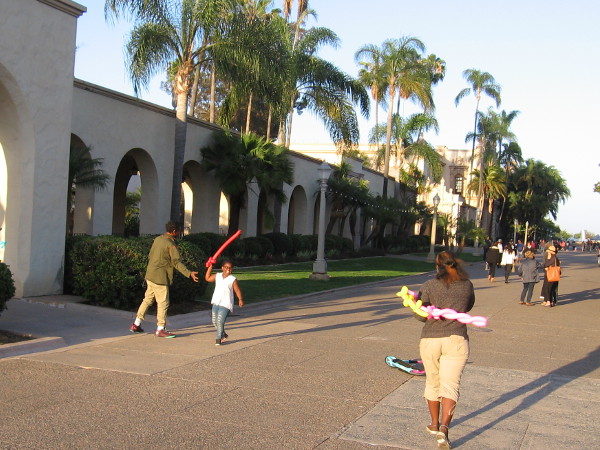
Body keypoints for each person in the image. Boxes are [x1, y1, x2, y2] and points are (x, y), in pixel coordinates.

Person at [415, 251, 474, 449]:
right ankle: (444, 428)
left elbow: (421, 315)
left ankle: (434, 424)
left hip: (431, 339)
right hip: (457, 338)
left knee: (433, 382)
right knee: (451, 385)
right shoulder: (467, 285)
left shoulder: (429, 285)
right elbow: (468, 307)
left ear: (437, 266)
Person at [129, 221, 198, 338]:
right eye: (179, 230)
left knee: (147, 300)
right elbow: (176, 262)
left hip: (150, 275)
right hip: (160, 278)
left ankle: (136, 324)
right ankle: (160, 329)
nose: (179, 232)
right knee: (163, 303)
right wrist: (189, 273)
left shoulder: (157, 239)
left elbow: (150, 255)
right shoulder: (171, 244)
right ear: (174, 231)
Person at [205, 259, 244, 345]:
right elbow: (207, 278)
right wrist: (210, 268)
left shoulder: (232, 279)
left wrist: (240, 299)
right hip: (216, 301)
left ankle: (218, 338)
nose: (228, 269)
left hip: (226, 303)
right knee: (214, 321)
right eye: (226, 267)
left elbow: (237, 290)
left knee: (220, 321)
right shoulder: (218, 275)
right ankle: (224, 334)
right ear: (222, 268)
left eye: (230, 268)